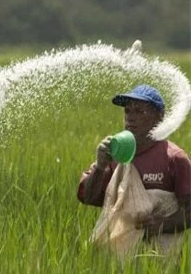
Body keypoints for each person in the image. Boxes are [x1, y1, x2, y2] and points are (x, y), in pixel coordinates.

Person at [77, 84, 191, 255]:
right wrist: (100, 166)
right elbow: (88, 197)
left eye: (140, 111)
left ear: (159, 118)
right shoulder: (115, 155)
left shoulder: (174, 158)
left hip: (159, 257)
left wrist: (162, 225)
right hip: (117, 257)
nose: (130, 117)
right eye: (128, 111)